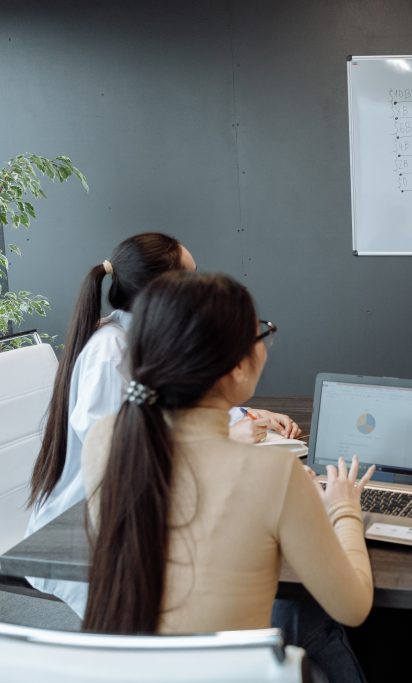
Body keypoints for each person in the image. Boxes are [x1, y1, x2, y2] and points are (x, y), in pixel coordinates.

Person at [81, 271, 374, 682]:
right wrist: (344, 506)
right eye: (260, 334)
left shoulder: (105, 440)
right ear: (237, 368)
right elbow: (353, 606)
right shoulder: (275, 472)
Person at [26, 232, 299, 615]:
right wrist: (225, 437)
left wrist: (241, 414)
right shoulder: (110, 352)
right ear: (162, 291)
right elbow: (115, 454)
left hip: (146, 509)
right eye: (190, 277)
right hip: (92, 527)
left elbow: (168, 405)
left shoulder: (150, 335)